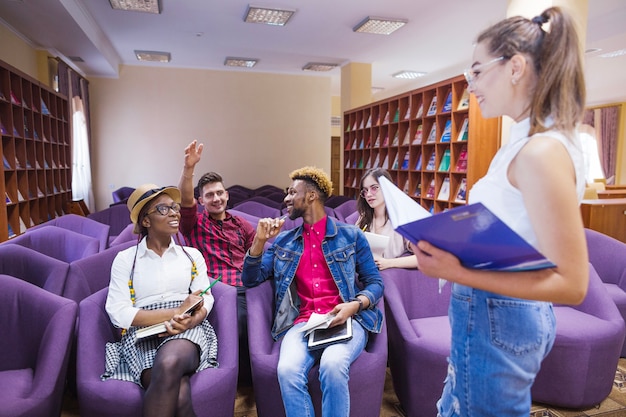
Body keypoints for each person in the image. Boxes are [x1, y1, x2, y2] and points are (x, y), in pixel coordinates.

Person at [408, 7, 590, 416]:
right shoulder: (525, 141)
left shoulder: (541, 151)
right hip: (491, 312)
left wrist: (455, 271)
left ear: (516, 67)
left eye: (476, 71)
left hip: (499, 315)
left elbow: (572, 283)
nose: (470, 85)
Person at [241, 166, 384, 417]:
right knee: (287, 370)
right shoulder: (284, 242)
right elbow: (251, 279)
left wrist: (355, 305)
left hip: (347, 319)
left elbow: (375, 283)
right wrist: (259, 242)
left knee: (332, 364)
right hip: (303, 323)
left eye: (292, 192)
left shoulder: (350, 236)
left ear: (310, 196)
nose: (286, 198)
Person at [103, 184, 218, 417]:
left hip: (187, 330)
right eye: (164, 209)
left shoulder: (192, 255)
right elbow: (118, 312)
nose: (175, 213)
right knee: (180, 392)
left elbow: (205, 297)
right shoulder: (126, 259)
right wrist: (176, 311)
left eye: (174, 207)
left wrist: (191, 319)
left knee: (167, 364)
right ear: (146, 221)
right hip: (142, 334)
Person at [178, 140, 256, 385]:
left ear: (227, 195)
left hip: (246, 286)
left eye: (220, 193)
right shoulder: (194, 224)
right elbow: (184, 200)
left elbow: (256, 255)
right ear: (200, 200)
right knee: (241, 323)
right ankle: (238, 379)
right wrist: (188, 169)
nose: (216, 198)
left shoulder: (241, 224)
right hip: (217, 289)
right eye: (209, 195)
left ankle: (260, 373)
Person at [355, 167, 418, 270]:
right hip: (365, 276)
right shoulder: (364, 218)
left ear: (387, 187)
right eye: (365, 191)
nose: (369, 194)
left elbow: (422, 257)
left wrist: (389, 263)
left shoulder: (402, 220)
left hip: (393, 278)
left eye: (374, 188)